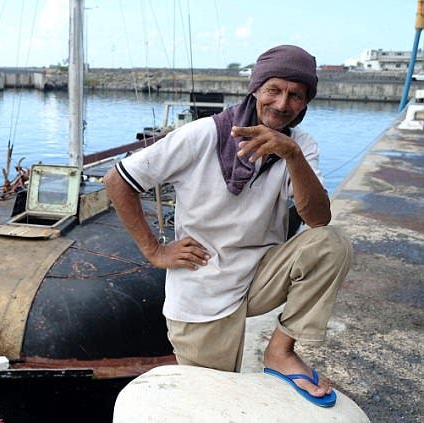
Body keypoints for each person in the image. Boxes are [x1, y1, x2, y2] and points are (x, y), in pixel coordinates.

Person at [104, 45, 352, 407]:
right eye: (274, 90)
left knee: (331, 243)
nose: (283, 104)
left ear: (305, 103)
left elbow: (318, 218)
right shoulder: (203, 134)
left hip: (258, 277)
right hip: (202, 287)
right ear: (255, 88)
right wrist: (154, 250)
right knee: (212, 401)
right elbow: (118, 180)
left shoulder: (300, 145)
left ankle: (280, 352)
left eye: (295, 95)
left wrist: (291, 155)